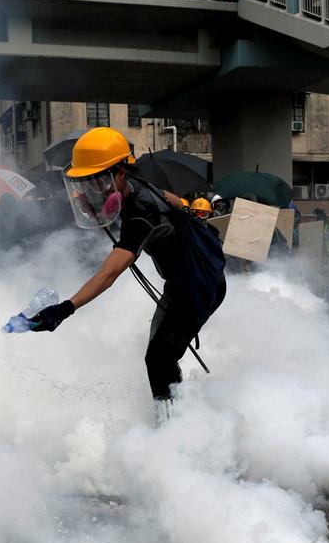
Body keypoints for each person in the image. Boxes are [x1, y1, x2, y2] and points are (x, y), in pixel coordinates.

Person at [30, 127, 227, 405]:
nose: (93, 192)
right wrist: (180, 212)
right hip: (182, 282)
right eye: (87, 183)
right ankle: (177, 414)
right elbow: (171, 199)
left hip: (198, 286)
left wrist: (66, 308)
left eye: (98, 181)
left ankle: (177, 428)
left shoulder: (141, 214)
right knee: (160, 356)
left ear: (120, 173)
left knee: (159, 358)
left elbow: (110, 273)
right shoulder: (139, 183)